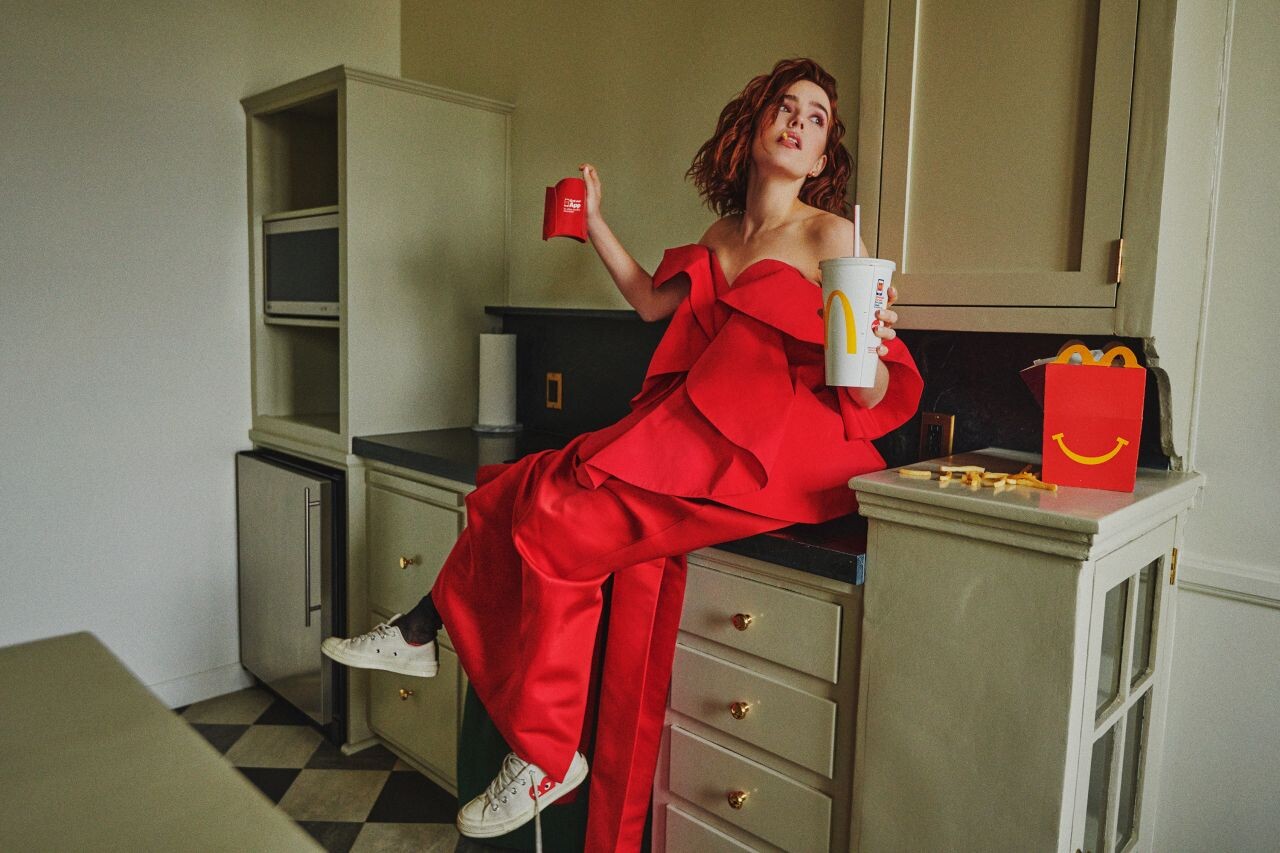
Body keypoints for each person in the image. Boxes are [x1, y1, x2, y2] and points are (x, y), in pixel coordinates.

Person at [323, 57, 923, 851]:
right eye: (786, 106)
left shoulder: (832, 235)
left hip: (780, 454)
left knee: (556, 525)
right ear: (753, 126)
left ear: (820, 159)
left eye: (816, 119)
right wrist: (595, 223)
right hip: (698, 433)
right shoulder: (722, 235)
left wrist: (871, 346)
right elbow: (649, 302)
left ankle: (542, 752)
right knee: (520, 484)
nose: (798, 122)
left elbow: (868, 387)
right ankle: (422, 630)